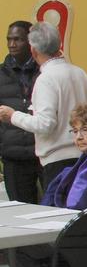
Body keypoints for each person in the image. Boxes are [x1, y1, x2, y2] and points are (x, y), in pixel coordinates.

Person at [0, 22, 87, 188]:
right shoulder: (81, 74)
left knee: (57, 211)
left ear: (33, 50)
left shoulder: (46, 79)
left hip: (58, 159)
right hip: (85, 155)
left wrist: (12, 116)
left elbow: (45, 124)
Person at [0, 21, 42, 202]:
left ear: (31, 41)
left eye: (18, 39)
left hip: (43, 153)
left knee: (57, 209)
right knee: (22, 210)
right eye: (9, 39)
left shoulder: (45, 71)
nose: (11, 44)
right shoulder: (1, 74)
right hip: (13, 156)